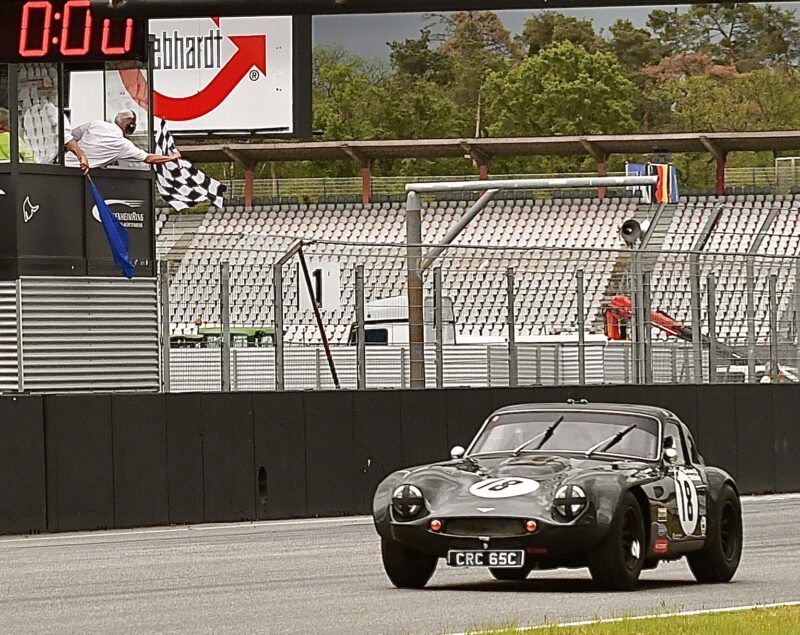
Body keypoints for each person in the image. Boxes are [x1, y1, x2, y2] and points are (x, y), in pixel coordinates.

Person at [65, 110, 180, 170]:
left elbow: (71, 135)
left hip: (63, 164)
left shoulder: (95, 124)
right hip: (78, 173)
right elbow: (148, 158)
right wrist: (171, 157)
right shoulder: (122, 144)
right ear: (130, 127)